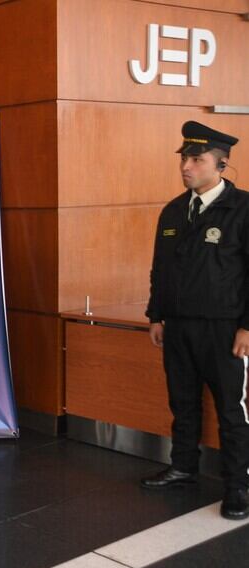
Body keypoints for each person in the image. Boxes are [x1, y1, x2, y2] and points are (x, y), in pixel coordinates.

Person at [143, 121, 249, 520]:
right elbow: (160, 269)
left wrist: (247, 327)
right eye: (184, 158)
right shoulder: (173, 210)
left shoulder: (243, 209)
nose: (186, 166)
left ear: (221, 165)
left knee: (231, 410)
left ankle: (238, 485)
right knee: (183, 402)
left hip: (224, 330)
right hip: (178, 327)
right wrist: (156, 315)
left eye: (196, 159)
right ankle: (183, 467)